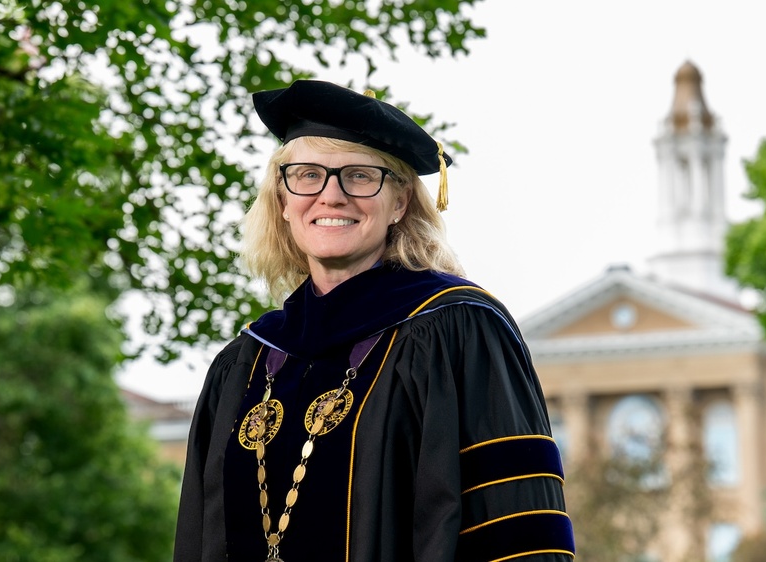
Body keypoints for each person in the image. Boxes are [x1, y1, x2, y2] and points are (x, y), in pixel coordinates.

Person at [173, 79, 575, 562]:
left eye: (361, 176)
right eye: (306, 175)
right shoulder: (247, 361)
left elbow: (517, 529)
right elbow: (200, 536)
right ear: (282, 201)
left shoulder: (457, 330)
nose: (331, 196)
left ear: (400, 202)